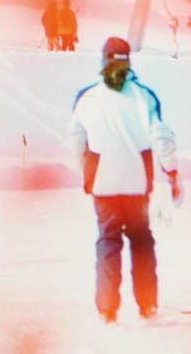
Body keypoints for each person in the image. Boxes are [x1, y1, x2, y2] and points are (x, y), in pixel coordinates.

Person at [68, 37, 179, 322]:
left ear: (103, 58)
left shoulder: (88, 98)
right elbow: (161, 137)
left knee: (108, 239)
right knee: (141, 239)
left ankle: (108, 308)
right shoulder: (144, 96)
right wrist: (171, 171)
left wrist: (84, 168)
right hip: (137, 183)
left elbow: (76, 137)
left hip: (102, 182)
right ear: (128, 60)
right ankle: (147, 304)